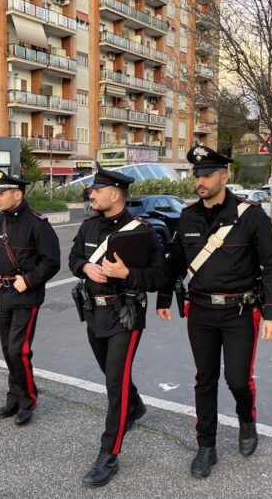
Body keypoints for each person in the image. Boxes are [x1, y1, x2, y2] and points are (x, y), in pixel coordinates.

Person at [157, 145, 272, 479]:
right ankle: (207, 446)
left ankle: (246, 420)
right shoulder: (187, 217)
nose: (199, 180)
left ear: (224, 177)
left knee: (238, 379)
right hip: (199, 310)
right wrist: (161, 298)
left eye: (206, 174)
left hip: (240, 312)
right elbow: (175, 262)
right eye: (196, 175)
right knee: (205, 378)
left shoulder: (251, 215)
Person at [68, 164, 167, 487]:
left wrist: (126, 275)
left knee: (114, 384)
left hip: (125, 315)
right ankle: (135, 406)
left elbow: (158, 277)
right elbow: (72, 258)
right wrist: (85, 267)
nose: (91, 193)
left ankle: (108, 454)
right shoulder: (88, 227)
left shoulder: (142, 231)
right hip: (94, 313)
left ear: (115, 194)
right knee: (112, 375)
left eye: (96, 189)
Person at [0, 170, 61, 427]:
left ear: (18, 194)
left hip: (27, 297)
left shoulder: (38, 223)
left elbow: (51, 262)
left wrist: (27, 280)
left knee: (19, 350)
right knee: (8, 351)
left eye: (2, 193)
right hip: (3, 295)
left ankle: (28, 401)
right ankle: (13, 398)